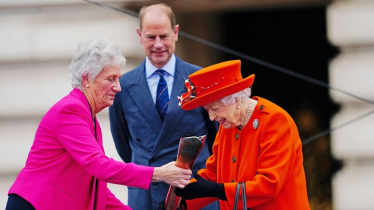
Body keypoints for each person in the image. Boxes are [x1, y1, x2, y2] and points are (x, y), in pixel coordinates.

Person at [5, 38, 192, 210]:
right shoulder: (70, 110)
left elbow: (96, 187)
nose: (118, 87)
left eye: (118, 79)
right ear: (86, 79)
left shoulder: (87, 114)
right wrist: (158, 173)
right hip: (34, 204)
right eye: (111, 79)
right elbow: (99, 166)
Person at [109, 3, 219, 210]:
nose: (158, 44)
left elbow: (217, 138)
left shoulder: (200, 79)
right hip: (146, 193)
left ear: (176, 33)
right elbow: (123, 145)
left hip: (194, 190)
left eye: (164, 36)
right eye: (151, 37)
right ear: (139, 35)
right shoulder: (122, 86)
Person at [175, 60, 311, 210]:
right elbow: (213, 175)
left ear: (236, 99)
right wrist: (181, 203)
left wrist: (217, 190)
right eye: (207, 110)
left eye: (215, 108)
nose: (212, 118)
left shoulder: (275, 120)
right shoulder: (227, 125)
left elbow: (269, 184)